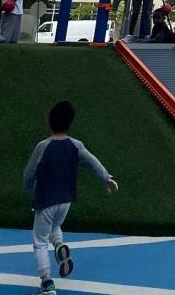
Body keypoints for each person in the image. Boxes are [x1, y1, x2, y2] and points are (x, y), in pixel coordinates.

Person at [23, 101, 118, 294]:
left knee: (40, 241)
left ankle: (47, 283)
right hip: (65, 200)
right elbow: (92, 162)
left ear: (49, 122)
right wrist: (106, 178)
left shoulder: (43, 146)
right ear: (69, 123)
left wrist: (31, 192)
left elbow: (29, 174)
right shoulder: (75, 145)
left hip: (46, 199)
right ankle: (59, 246)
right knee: (55, 226)